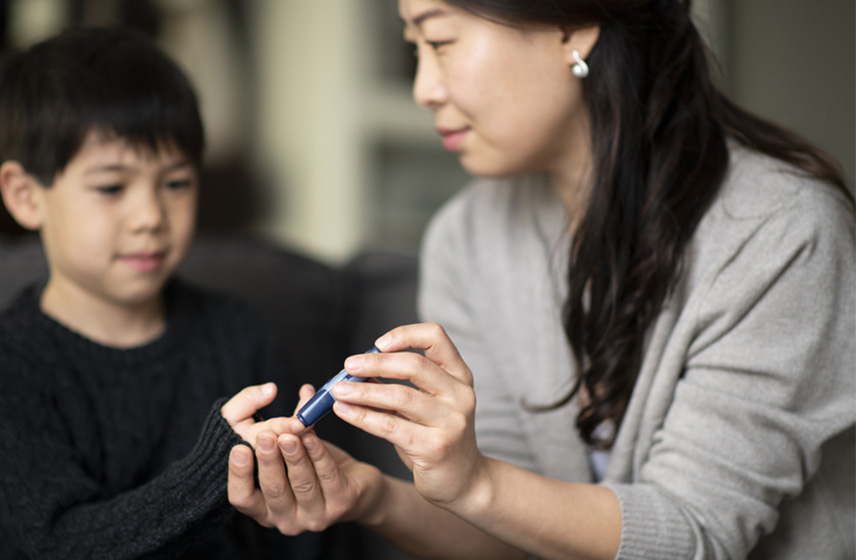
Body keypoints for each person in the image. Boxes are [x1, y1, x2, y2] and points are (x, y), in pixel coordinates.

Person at [227, 1, 856, 558]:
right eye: (413, 47)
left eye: (441, 42)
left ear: (571, 28)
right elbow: (513, 529)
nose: (423, 88)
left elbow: (694, 536)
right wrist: (370, 495)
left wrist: (476, 481)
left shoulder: (784, 231)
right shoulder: (468, 236)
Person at [0, 26, 318, 559]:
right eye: (111, 187)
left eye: (175, 183)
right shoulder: (13, 364)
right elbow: (58, 544)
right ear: (26, 195)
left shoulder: (240, 335)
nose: (150, 217)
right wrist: (217, 468)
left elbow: (296, 540)